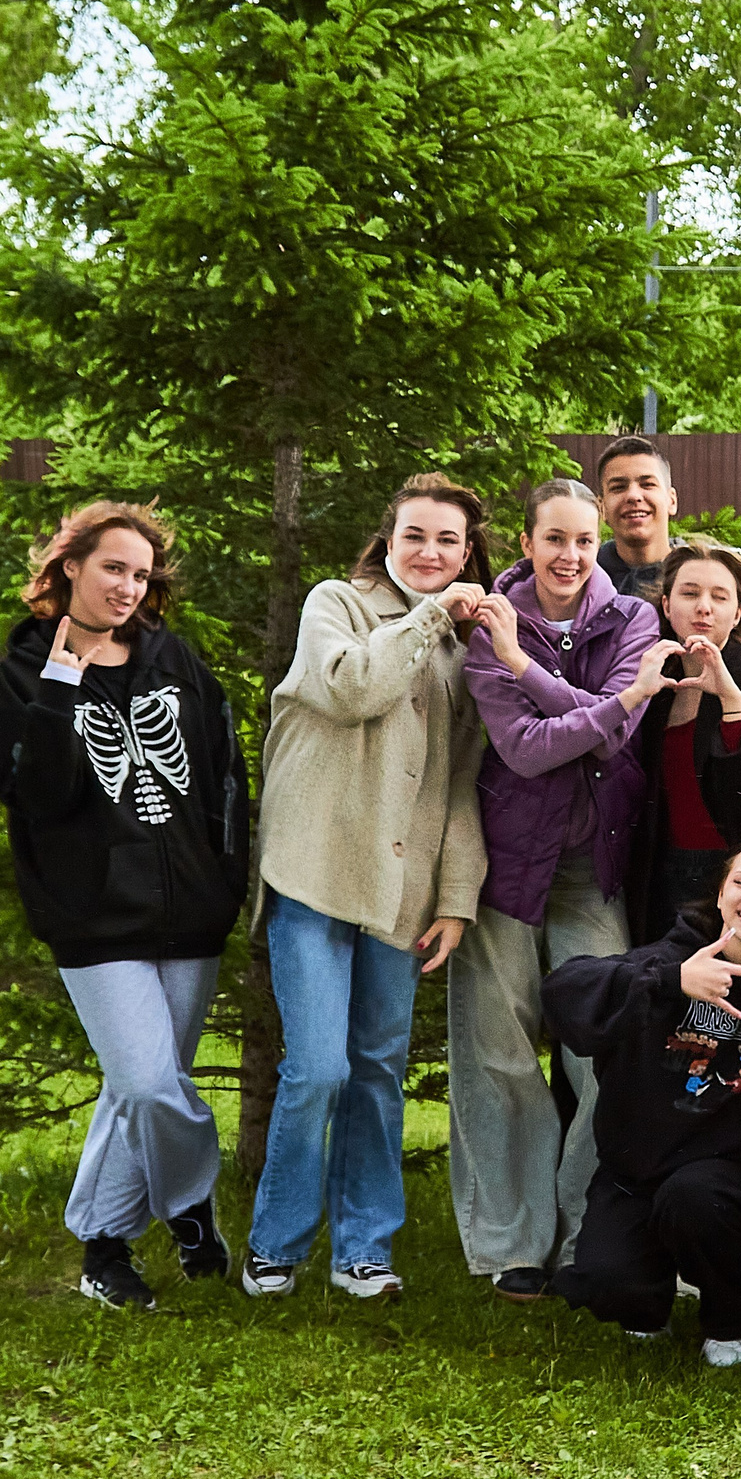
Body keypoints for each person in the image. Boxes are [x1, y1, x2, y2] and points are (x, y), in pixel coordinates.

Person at [0, 503, 248, 1309]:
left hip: (190, 911)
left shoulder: (174, 658)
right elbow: (33, 795)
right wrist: (63, 684)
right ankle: (190, 1202)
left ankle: (104, 1250)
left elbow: (221, 774)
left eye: (141, 574)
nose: (129, 587)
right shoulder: (24, 670)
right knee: (142, 1080)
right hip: (95, 918)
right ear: (70, 567)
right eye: (113, 569)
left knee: (139, 1085)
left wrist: (224, 877)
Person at [244, 475, 492, 1302]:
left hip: (402, 888)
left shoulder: (465, 651)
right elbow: (352, 686)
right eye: (415, 536)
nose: (430, 553)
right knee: (316, 1067)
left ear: (469, 553)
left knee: (377, 1070)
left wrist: (456, 896)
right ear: (388, 539)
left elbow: (462, 783)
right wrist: (428, 615)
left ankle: (363, 1249)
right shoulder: (336, 605)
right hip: (314, 871)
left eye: (447, 542)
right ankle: (274, 1244)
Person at [452, 478, 665, 1301]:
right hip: (507, 863)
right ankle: (511, 1239)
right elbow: (530, 749)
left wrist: (524, 668)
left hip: (591, 865)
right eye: (554, 539)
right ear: (528, 541)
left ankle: (588, 1227)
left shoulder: (633, 618)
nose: (571, 556)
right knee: (498, 1052)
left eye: (584, 539)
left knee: (605, 1049)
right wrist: (612, 702)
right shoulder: (490, 621)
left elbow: (623, 731)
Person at [544, 831, 741, 1367]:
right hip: (635, 1174)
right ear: (720, 894)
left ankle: (730, 1319)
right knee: (612, 1287)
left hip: (729, 1182)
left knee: (695, 1199)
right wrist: (673, 980)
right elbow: (564, 991)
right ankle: (649, 1293)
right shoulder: (665, 960)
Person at [629, 540, 741, 944]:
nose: (704, 607)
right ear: (666, 605)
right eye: (690, 593)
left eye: (719, 596)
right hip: (655, 867)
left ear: (737, 613)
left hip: (730, 872)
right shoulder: (650, 678)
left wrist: (732, 704)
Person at [593, 433, 679, 602]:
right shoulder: (581, 581)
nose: (633, 496)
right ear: (601, 508)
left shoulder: (699, 579)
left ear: (672, 500)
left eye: (647, 484)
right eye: (618, 487)